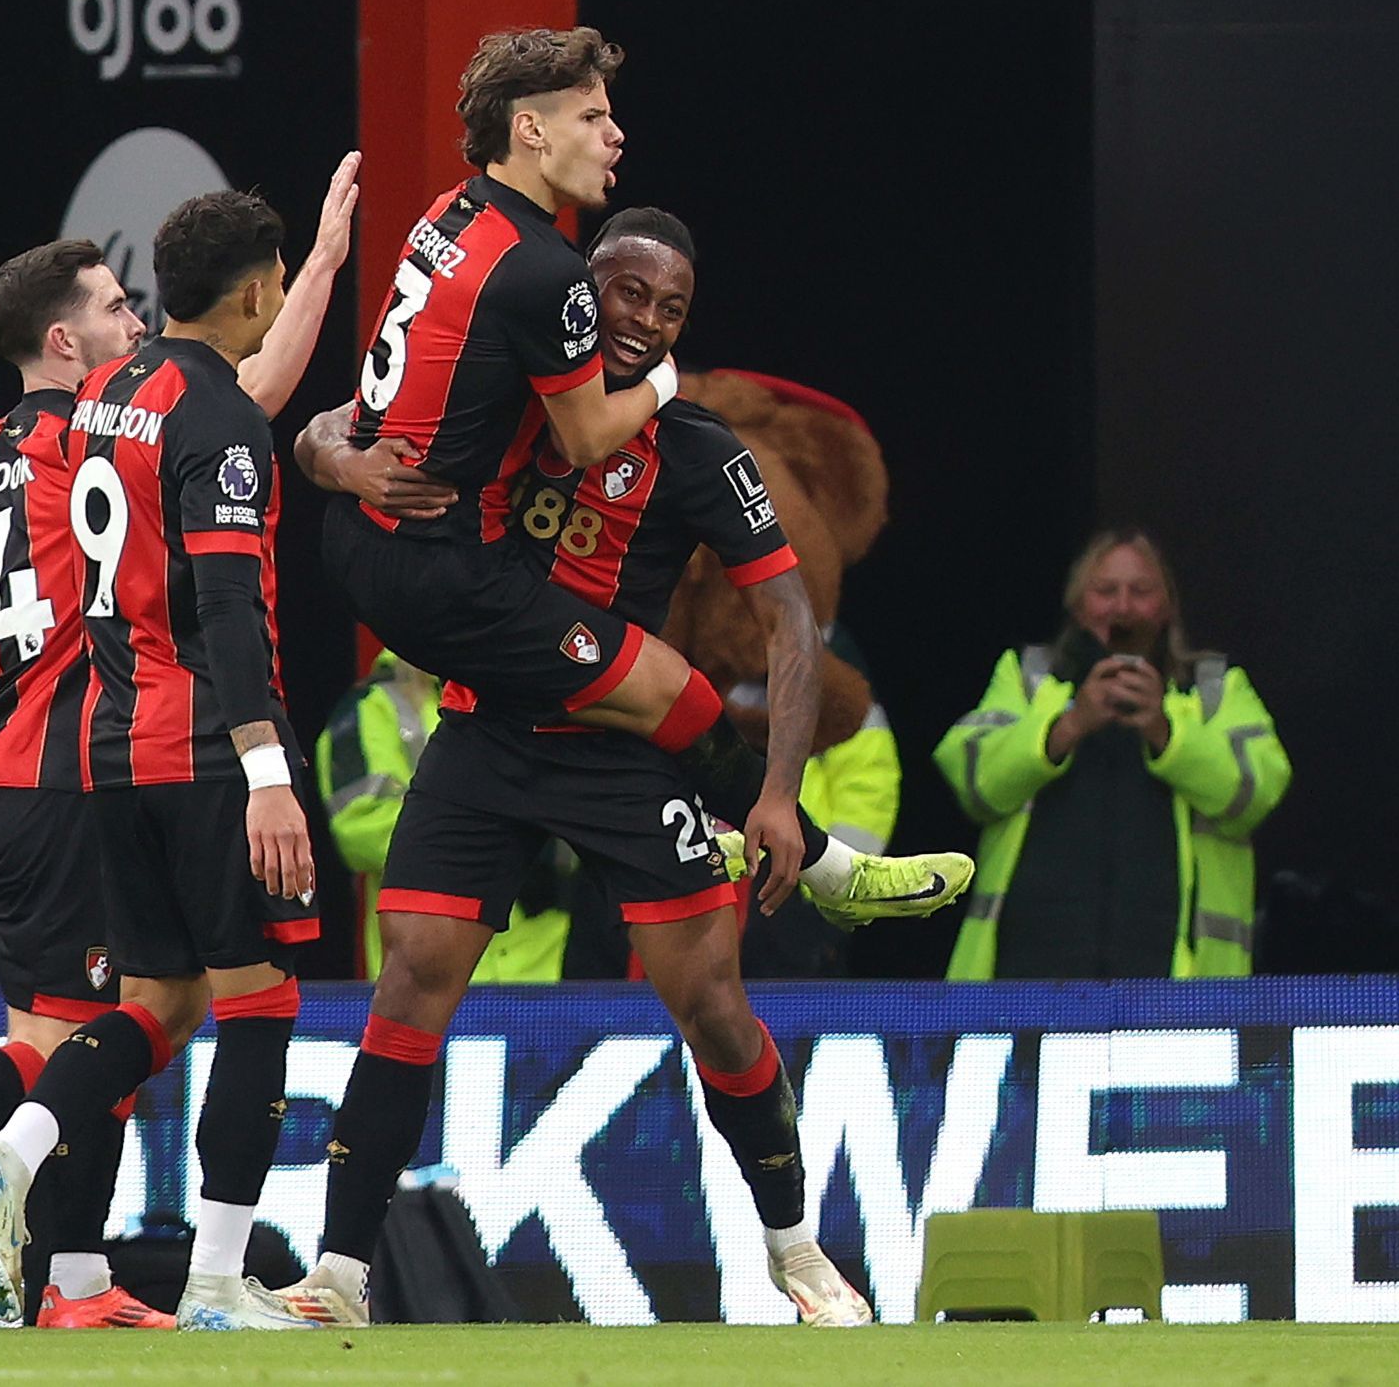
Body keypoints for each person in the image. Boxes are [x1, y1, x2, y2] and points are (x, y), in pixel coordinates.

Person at [282, 209, 972, 1327]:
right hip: (491, 733)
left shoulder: (696, 447)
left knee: (714, 1008)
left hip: (624, 759)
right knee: (410, 980)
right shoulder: (502, 396)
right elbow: (345, 416)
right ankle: (341, 1277)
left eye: (671, 306)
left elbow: (792, 619)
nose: (645, 320)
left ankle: (798, 1256)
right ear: (576, 294)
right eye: (626, 292)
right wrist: (333, 454)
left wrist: (784, 789)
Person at [0, 154, 359, 1332]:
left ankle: (78, 1285)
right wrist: (329, 268)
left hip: (0, 768)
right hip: (76, 767)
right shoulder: (111, 432)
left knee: (120, 1018)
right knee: (103, 1031)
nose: (131, 317)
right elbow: (239, 403)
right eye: (109, 305)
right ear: (61, 340)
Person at [322, 27, 943, 917]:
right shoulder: (543, 276)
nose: (615, 135)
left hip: (372, 550)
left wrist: (329, 455)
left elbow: (374, 405)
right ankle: (819, 862)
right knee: (674, 685)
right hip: (439, 573)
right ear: (531, 130)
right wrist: (662, 380)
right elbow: (583, 440)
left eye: (673, 311)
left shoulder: (448, 215)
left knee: (430, 988)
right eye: (594, 114)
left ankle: (749, 840)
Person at [0, 183, 349, 1332]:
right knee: (260, 1005)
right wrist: (269, 770)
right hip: (211, 755)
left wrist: (319, 263)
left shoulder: (111, 399)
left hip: (110, 756)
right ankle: (218, 1283)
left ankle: (15, 1156)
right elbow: (226, 600)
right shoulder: (214, 421)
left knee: (155, 1001)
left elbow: (232, 409)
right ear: (255, 289)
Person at [936, 528, 1291, 979]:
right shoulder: (1030, 678)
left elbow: (1257, 794)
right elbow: (972, 781)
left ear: (1166, 607)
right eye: (1105, 591)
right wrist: (1069, 726)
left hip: (1178, 991)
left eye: (1140, 592)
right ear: (1079, 605)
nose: (1122, 607)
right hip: (1026, 977)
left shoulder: (1214, 688)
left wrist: (1166, 733)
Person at [315, 648, 576, 981]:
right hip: (425, 974)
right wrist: (498, 837)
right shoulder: (374, 706)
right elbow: (359, 828)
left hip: (546, 974)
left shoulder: (539, 692)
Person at [736, 621, 904, 979]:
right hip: (709, 883)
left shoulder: (828, 661)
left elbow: (869, 786)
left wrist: (826, 881)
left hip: (793, 882)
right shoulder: (702, 652)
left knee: (786, 1015)